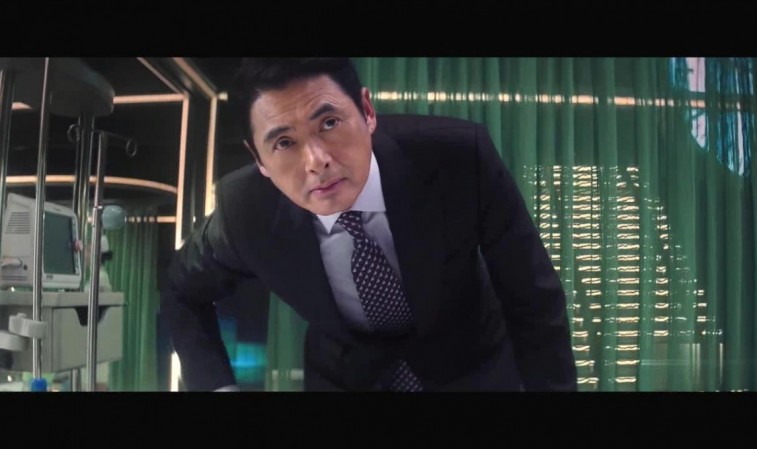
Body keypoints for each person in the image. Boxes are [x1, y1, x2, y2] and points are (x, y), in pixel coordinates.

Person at [163, 58, 577, 392]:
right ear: (259, 159)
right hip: (344, 377)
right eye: (284, 143)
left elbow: (532, 298)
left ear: (367, 111)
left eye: (329, 123)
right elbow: (182, 291)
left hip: (471, 367)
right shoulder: (245, 210)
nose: (317, 161)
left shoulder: (458, 158)